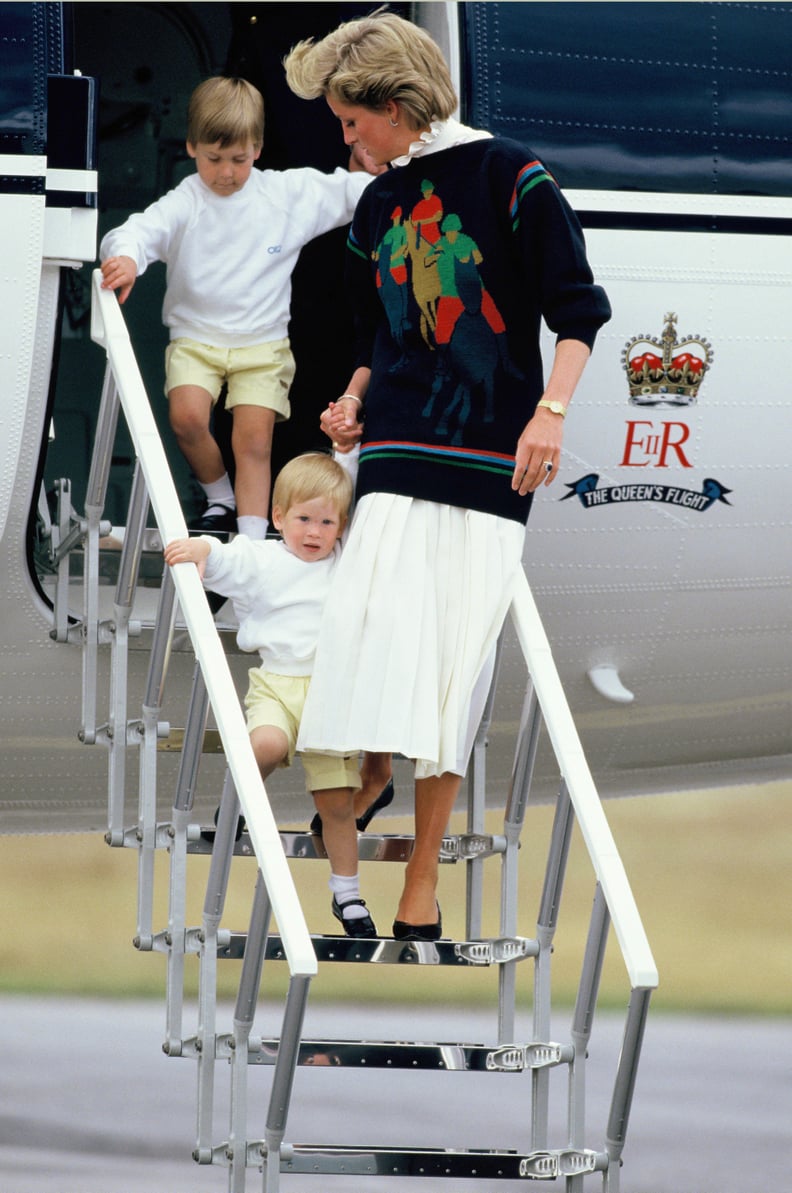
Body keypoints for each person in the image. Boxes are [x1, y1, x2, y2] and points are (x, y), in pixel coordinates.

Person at [283, 12, 612, 941]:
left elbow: (578, 308)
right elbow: (377, 334)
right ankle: (374, 769)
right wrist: (352, 398)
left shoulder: (512, 176)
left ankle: (423, 876)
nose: (345, 140)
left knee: (453, 668)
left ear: (396, 107)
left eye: (352, 122)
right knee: (371, 631)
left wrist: (551, 413)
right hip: (389, 454)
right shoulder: (378, 207)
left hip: (486, 459)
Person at [100, 76, 377, 540]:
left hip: (262, 345)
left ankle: (250, 539)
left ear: (258, 149)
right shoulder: (187, 200)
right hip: (195, 338)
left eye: (239, 160)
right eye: (213, 159)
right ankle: (220, 499)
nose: (225, 172)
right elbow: (138, 231)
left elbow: (351, 193)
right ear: (191, 147)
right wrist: (125, 258)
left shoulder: (285, 196)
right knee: (186, 418)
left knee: (252, 440)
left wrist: (384, 174)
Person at [163, 451, 377, 938]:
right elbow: (229, 557)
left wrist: (345, 452)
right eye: (303, 518)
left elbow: (354, 491)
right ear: (278, 517)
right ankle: (237, 801)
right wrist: (201, 549)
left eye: (327, 522)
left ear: (342, 527)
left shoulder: (345, 562)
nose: (314, 532)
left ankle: (348, 894)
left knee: (338, 802)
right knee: (265, 745)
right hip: (277, 685)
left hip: (332, 696)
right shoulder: (265, 559)